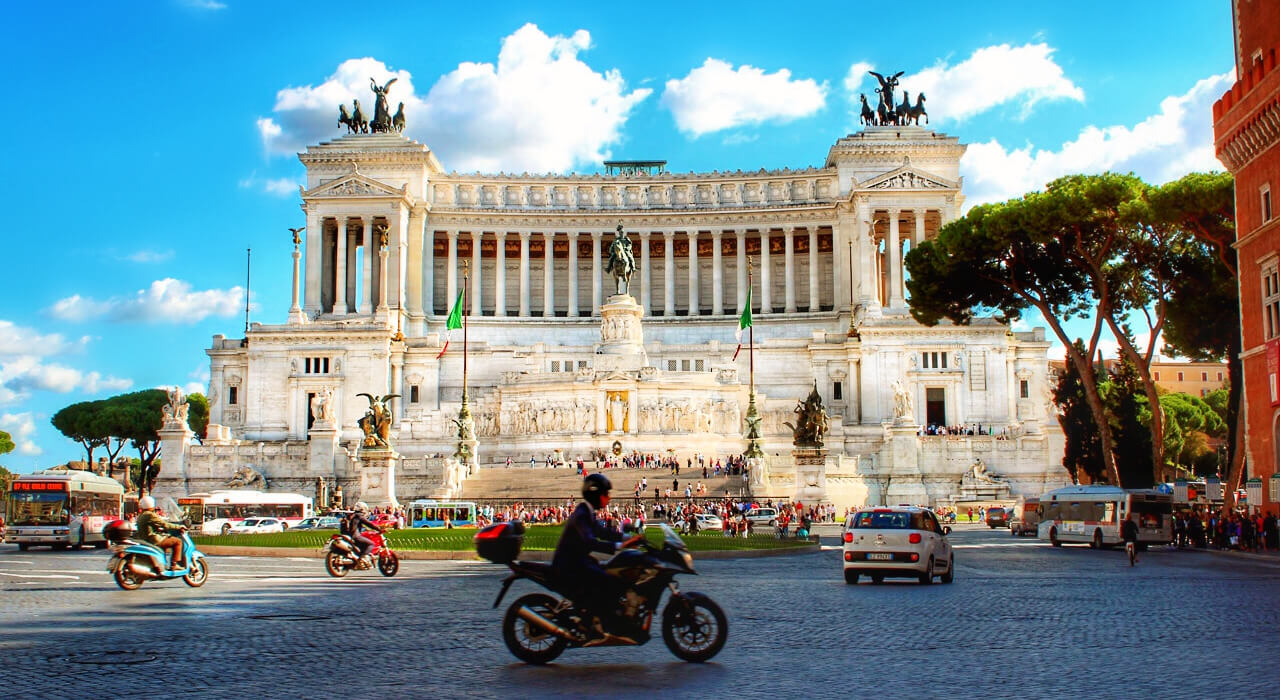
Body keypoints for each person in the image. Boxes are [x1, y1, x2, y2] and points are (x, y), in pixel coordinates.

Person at [552, 474, 643, 637]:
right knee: (608, 581)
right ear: (595, 495)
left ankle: (599, 617)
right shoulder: (582, 514)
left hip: (578, 561)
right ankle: (595, 623)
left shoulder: (586, 511)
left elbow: (602, 532)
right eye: (605, 494)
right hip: (571, 564)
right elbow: (590, 542)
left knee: (609, 573)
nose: (608, 498)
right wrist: (620, 546)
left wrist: (627, 538)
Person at [135, 495, 186, 570]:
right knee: (178, 542)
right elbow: (165, 524)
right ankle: (174, 564)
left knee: (165, 545)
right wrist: (179, 527)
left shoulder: (141, 515)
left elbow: (151, 526)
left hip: (145, 539)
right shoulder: (149, 515)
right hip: (154, 540)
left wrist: (159, 529)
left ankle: (162, 565)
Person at [342, 502, 385, 566]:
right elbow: (369, 524)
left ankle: (360, 556)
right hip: (355, 536)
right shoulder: (359, 515)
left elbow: (357, 525)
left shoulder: (353, 515)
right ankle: (363, 558)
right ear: (362, 509)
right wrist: (379, 529)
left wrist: (366, 529)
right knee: (371, 544)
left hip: (348, 535)